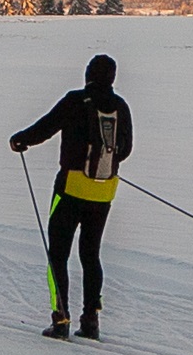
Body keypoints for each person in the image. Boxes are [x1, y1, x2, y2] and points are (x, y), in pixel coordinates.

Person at [11, 53, 132, 338]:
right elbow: (125, 150)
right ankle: (90, 320)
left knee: (58, 255)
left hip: (70, 188)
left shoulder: (75, 100)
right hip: (104, 191)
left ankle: (60, 319)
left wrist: (20, 140)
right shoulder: (121, 107)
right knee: (91, 255)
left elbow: (45, 128)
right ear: (112, 78)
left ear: (88, 75)